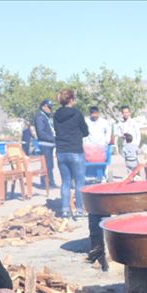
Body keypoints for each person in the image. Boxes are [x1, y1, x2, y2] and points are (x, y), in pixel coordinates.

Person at [53, 89, 89, 218]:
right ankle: (79, 211)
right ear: (71, 99)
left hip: (61, 151)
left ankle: (65, 210)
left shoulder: (56, 115)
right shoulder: (77, 114)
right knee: (79, 182)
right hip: (75, 150)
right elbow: (85, 131)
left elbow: (57, 130)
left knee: (65, 182)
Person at [34, 99, 56, 188]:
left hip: (49, 144)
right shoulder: (40, 117)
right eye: (49, 107)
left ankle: (50, 182)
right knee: (46, 165)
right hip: (45, 144)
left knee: (50, 165)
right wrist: (53, 139)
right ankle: (45, 184)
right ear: (43, 107)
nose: (50, 109)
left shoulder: (45, 117)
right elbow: (41, 132)